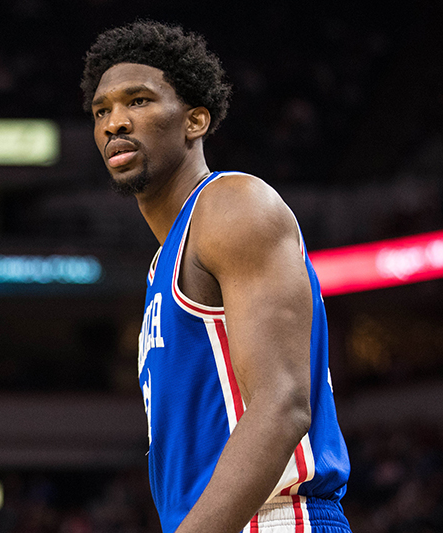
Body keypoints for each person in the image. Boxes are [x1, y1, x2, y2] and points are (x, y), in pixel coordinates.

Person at [81, 21, 351, 533]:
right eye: (102, 110)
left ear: (195, 120)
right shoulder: (166, 260)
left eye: (137, 101)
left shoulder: (233, 205)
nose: (115, 122)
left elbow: (282, 405)